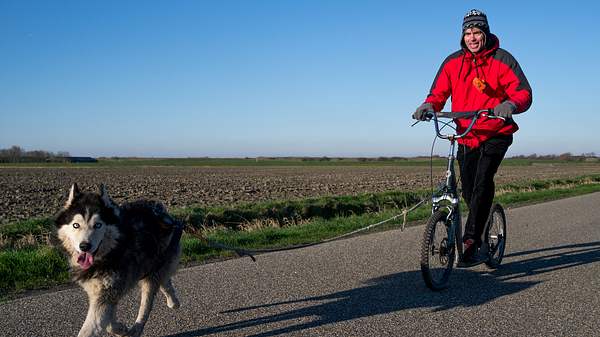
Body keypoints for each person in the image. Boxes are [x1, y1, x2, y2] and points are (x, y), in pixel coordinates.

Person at [412, 9, 532, 265]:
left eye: (477, 32)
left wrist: (509, 105)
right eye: (467, 33)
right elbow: (438, 93)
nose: (472, 38)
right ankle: (483, 221)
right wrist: (427, 106)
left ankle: (470, 241)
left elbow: (523, 92)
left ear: (485, 33)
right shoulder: (452, 62)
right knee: (468, 190)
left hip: (496, 131)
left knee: (481, 181)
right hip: (466, 133)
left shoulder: (503, 59)